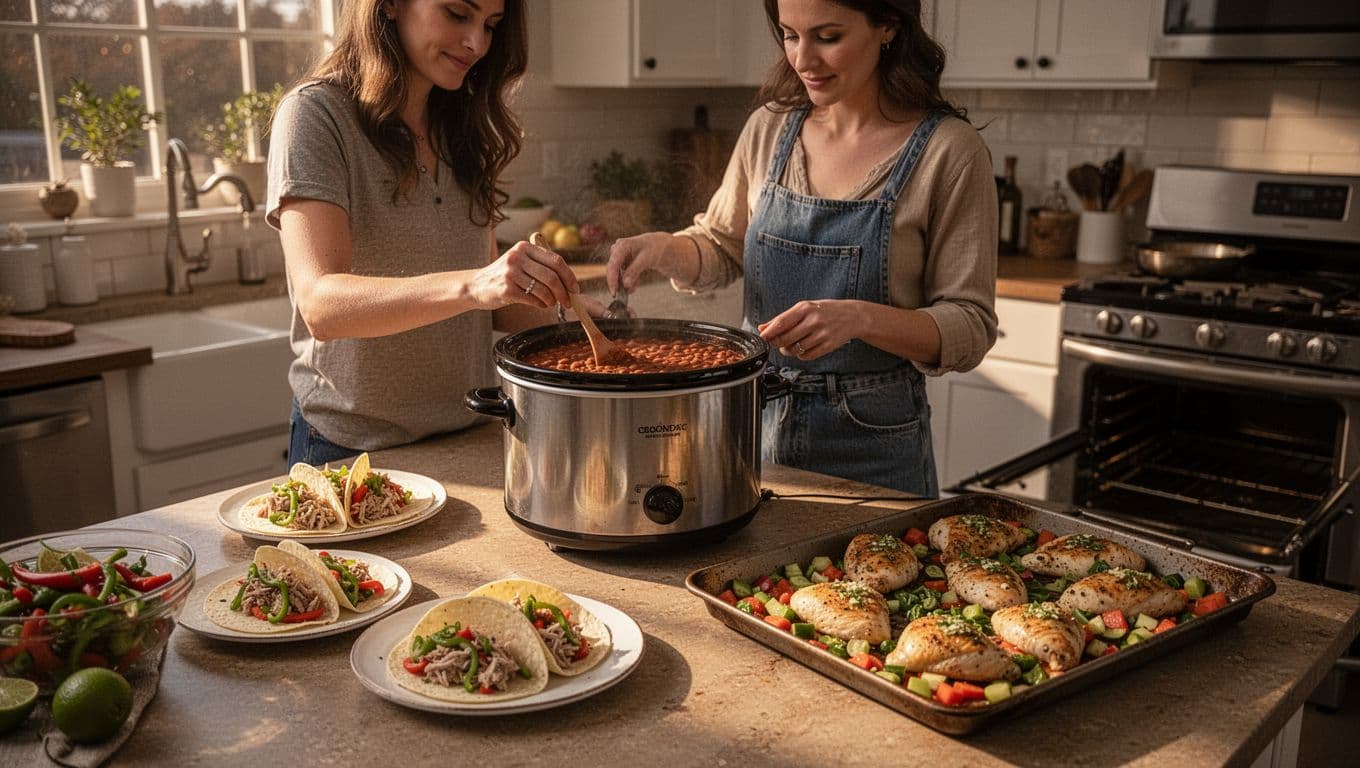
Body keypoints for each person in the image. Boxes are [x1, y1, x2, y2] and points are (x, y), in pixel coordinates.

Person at [605, 0, 997, 496]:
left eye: (828, 37)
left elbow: (970, 324)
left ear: (888, 26)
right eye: (790, 35)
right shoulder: (769, 128)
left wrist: (859, 318)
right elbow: (722, 245)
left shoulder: (950, 151)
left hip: (876, 446)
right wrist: (665, 248)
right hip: (751, 428)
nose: (802, 59)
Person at [267, 0, 587, 466]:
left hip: (471, 432)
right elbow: (321, 306)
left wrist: (575, 315)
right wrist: (476, 284)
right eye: (457, 14)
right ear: (391, 5)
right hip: (354, 448)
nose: (477, 43)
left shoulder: (463, 123)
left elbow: (490, 302)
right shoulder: (316, 115)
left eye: (491, 25)